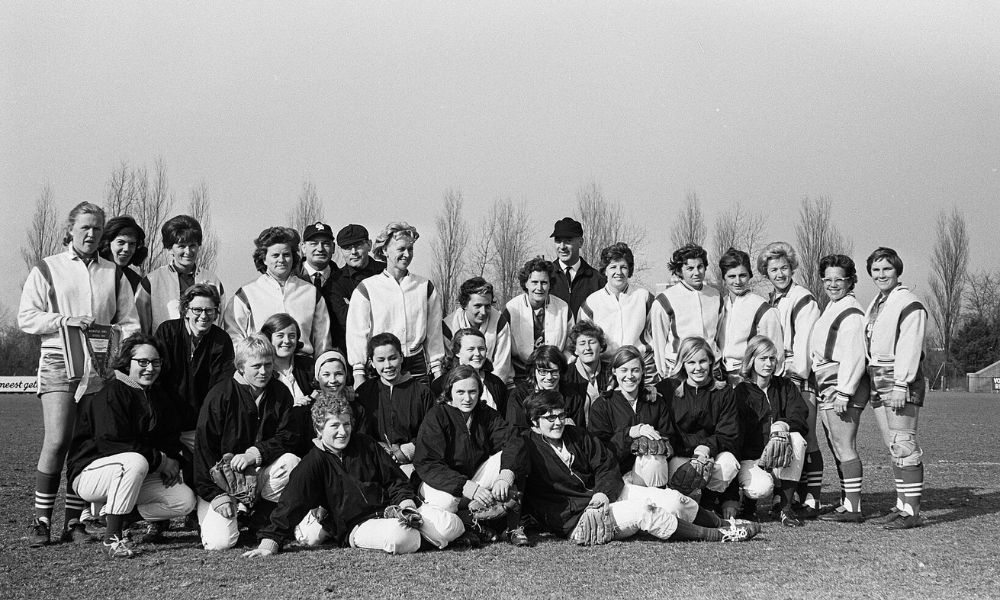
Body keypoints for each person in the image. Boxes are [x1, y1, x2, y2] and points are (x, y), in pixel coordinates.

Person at [18, 201, 140, 546]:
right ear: (70, 230)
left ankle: (74, 523)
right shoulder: (48, 268)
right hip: (59, 361)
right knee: (57, 439)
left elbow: (130, 321)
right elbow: (26, 317)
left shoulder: (113, 273)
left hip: (99, 367)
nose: (91, 233)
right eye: (85, 227)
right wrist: (63, 320)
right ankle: (41, 520)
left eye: (97, 228)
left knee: (84, 443)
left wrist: (116, 343)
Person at [520, 390, 760, 544]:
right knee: (646, 512)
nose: (557, 422)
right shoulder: (526, 445)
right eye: (549, 418)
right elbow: (520, 478)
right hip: (578, 519)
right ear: (534, 422)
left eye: (560, 415)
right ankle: (719, 536)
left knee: (674, 499)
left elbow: (606, 464)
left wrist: (603, 492)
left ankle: (726, 524)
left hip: (604, 496)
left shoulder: (576, 435)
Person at [242, 393, 463, 556]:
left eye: (346, 424)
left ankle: (436, 533)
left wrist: (407, 505)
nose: (342, 431)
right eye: (334, 425)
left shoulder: (365, 444)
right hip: (357, 526)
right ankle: (431, 539)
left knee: (452, 524)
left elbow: (395, 479)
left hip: (393, 511)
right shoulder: (313, 462)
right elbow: (290, 504)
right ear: (319, 429)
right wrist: (269, 542)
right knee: (400, 536)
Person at [66, 334, 196, 558]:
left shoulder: (157, 394)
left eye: (155, 362)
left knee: (184, 501)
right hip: (91, 474)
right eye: (142, 362)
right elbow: (112, 442)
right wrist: (161, 461)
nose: (150, 368)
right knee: (134, 460)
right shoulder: (111, 392)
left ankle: (121, 514)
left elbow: (168, 436)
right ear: (128, 363)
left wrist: (173, 460)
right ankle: (112, 538)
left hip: (133, 473)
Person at [194, 334, 301, 550]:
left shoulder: (280, 392)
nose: (264, 372)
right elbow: (203, 450)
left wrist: (256, 453)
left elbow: (288, 437)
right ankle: (216, 513)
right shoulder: (220, 395)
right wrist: (215, 496)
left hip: (258, 474)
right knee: (220, 543)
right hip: (222, 482)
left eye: (268, 365)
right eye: (256, 366)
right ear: (241, 366)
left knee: (290, 461)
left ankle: (259, 518)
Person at [413, 365, 529, 546]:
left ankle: (512, 527)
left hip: (475, 481)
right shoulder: (437, 416)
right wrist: (465, 487)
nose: (467, 398)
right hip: (443, 485)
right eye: (460, 392)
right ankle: (468, 522)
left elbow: (513, 442)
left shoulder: (485, 413)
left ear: (479, 391)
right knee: (446, 503)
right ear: (450, 391)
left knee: (512, 458)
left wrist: (506, 475)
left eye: (472, 392)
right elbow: (427, 463)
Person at [153, 283, 235, 526]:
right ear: (185, 310)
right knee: (162, 467)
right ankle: (157, 521)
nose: (204, 316)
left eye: (210, 311)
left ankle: (195, 513)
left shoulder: (221, 340)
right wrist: (167, 424)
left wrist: (201, 427)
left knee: (201, 462)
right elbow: (158, 380)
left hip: (198, 422)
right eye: (197, 309)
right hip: (166, 419)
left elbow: (219, 389)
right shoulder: (167, 332)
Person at [864, 247, 928, 530]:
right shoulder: (878, 302)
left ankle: (912, 511)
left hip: (898, 375)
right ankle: (902, 505)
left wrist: (902, 382)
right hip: (877, 374)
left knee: (904, 443)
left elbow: (910, 345)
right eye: (876, 270)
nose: (881, 275)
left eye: (887, 269)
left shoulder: (908, 302)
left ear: (897, 270)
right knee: (893, 444)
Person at [758, 241, 824, 513]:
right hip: (780, 375)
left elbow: (805, 344)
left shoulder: (802, 298)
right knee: (785, 435)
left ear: (792, 268)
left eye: (784, 268)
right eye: (773, 269)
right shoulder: (773, 299)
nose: (779, 274)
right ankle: (792, 496)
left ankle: (813, 498)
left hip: (798, 377)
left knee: (807, 437)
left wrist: (794, 374)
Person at [808, 254, 869, 524]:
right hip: (827, 381)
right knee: (835, 442)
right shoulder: (832, 306)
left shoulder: (852, 312)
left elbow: (855, 355)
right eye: (827, 279)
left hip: (840, 383)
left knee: (844, 444)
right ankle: (847, 501)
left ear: (851, 281)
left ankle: (853, 507)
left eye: (839, 279)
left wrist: (844, 391)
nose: (833, 284)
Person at [346, 222, 443, 385]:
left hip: (416, 366)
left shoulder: (425, 287)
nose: (406, 254)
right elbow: (357, 333)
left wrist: (437, 370)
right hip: (381, 365)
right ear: (385, 250)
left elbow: (434, 332)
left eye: (410, 249)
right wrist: (358, 372)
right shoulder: (367, 288)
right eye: (401, 249)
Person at [655, 337, 740, 511]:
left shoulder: (724, 391)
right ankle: (675, 501)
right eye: (691, 362)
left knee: (728, 464)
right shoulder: (667, 388)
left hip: (709, 455)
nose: (698, 367)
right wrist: (648, 390)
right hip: (679, 457)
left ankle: (708, 502)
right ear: (683, 364)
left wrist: (705, 449)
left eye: (702, 361)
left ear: (710, 361)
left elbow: (728, 433)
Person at [731, 336, 809, 526]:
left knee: (796, 438)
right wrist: (757, 458)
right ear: (751, 360)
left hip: (781, 455)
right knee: (760, 488)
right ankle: (749, 505)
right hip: (753, 459)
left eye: (772, 359)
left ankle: (785, 507)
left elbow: (800, 415)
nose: (768, 363)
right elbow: (736, 433)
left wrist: (782, 425)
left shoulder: (785, 386)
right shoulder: (741, 392)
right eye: (763, 358)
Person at [225, 226, 331, 356]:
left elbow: (323, 339)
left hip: (303, 367)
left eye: (286, 255)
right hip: (263, 365)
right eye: (275, 255)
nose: (281, 260)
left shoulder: (311, 292)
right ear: (264, 259)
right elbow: (234, 337)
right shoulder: (247, 294)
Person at [588, 346, 672, 487]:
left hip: (653, 474)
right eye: (624, 370)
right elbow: (599, 451)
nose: (630, 376)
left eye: (635, 370)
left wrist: (656, 437)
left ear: (643, 371)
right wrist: (630, 433)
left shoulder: (654, 400)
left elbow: (669, 435)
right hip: (617, 475)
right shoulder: (602, 405)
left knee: (653, 459)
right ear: (614, 371)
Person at [354, 333, 436, 477]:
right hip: (375, 463)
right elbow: (360, 432)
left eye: (392, 358)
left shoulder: (422, 392)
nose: (388, 365)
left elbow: (431, 432)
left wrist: (407, 450)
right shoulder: (364, 392)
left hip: (414, 464)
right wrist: (380, 449)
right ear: (372, 362)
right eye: (381, 360)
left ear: (401, 357)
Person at [578, 242, 655, 381]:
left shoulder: (643, 297)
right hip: (605, 370)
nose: (618, 272)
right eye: (613, 267)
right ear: (605, 270)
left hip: (641, 368)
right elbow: (581, 340)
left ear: (629, 270)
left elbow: (657, 333)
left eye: (623, 267)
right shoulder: (592, 302)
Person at [136, 215, 225, 335]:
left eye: (192, 245)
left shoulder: (212, 281)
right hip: (162, 350)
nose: (188, 251)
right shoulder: (152, 281)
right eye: (181, 246)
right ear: (170, 249)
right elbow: (142, 328)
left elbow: (219, 323)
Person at [650, 244, 723, 378]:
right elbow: (658, 341)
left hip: (711, 369)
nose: (696, 272)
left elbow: (719, 335)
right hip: (678, 370)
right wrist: (663, 373)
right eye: (690, 268)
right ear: (679, 271)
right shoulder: (665, 300)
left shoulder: (716, 296)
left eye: (700, 267)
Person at [716, 247, 783, 382]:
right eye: (731, 276)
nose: (737, 281)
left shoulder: (762, 308)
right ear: (724, 278)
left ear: (749, 276)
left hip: (748, 377)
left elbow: (776, 351)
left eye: (742, 275)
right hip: (721, 377)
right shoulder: (720, 305)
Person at [501, 257, 570, 383]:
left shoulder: (563, 308)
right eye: (534, 282)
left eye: (544, 282)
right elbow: (503, 350)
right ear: (526, 283)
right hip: (520, 376)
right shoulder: (511, 309)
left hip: (553, 377)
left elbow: (571, 345)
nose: (539, 288)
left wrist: (559, 369)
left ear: (550, 284)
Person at [260, 313, 316, 457]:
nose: (287, 341)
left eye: (292, 336)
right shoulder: (262, 372)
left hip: (311, 439)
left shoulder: (309, 366)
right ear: (268, 338)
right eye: (280, 335)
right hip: (278, 446)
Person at [442, 277, 513, 386]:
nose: (483, 312)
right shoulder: (449, 325)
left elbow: (501, 366)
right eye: (477, 306)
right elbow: (449, 364)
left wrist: (489, 392)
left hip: (494, 384)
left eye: (487, 306)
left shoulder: (500, 322)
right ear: (464, 304)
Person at [328, 224, 386, 352]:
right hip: (352, 353)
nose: (353, 252)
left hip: (387, 351)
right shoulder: (334, 283)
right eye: (347, 248)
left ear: (369, 245)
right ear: (340, 250)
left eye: (358, 245)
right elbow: (348, 321)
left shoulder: (387, 273)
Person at [431, 328, 509, 418]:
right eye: (471, 349)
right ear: (457, 352)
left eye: (481, 349)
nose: (477, 353)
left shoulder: (496, 383)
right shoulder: (440, 385)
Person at [506, 345, 586, 430]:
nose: (549, 377)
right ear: (534, 371)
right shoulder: (519, 395)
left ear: (561, 371)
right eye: (543, 372)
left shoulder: (572, 397)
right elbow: (515, 433)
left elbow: (580, 433)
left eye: (554, 371)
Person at [548, 217, 606, 319]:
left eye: (568, 241)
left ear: (580, 242)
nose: (562, 246)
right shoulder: (546, 277)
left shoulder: (597, 280)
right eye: (558, 241)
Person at [560, 321, 611, 428]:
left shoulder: (612, 372)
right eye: (582, 343)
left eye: (592, 342)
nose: (587, 348)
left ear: (601, 347)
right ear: (576, 350)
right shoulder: (565, 376)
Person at [297, 221, 341, 347]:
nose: (320, 248)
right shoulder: (291, 281)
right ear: (303, 247)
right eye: (314, 244)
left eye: (326, 244)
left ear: (333, 248)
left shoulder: (343, 282)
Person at [313, 349, 367, 437]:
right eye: (326, 374)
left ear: (346, 375)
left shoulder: (357, 409)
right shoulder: (308, 408)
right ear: (317, 377)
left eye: (338, 374)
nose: (333, 380)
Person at [98, 215, 147, 292]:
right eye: (121, 242)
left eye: (132, 244)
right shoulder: (92, 271)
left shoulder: (136, 283)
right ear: (107, 243)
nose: (126, 249)